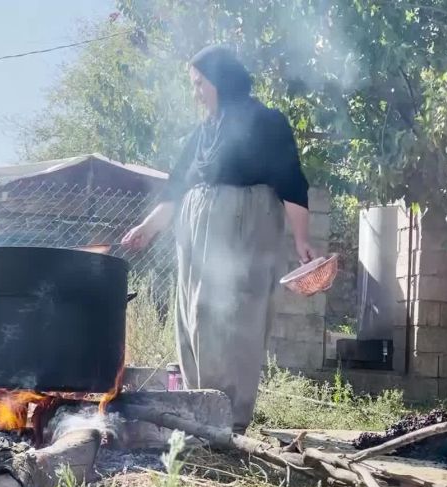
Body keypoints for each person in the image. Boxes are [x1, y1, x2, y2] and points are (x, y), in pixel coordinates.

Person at [121, 45, 315, 433]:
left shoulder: (265, 122)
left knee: (233, 317)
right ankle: (200, 412)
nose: (196, 93)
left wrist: (302, 240)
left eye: (199, 83)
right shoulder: (202, 133)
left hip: (243, 227)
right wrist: (147, 228)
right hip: (193, 233)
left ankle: (229, 419)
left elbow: (292, 183)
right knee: (193, 316)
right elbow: (176, 189)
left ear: (221, 81)